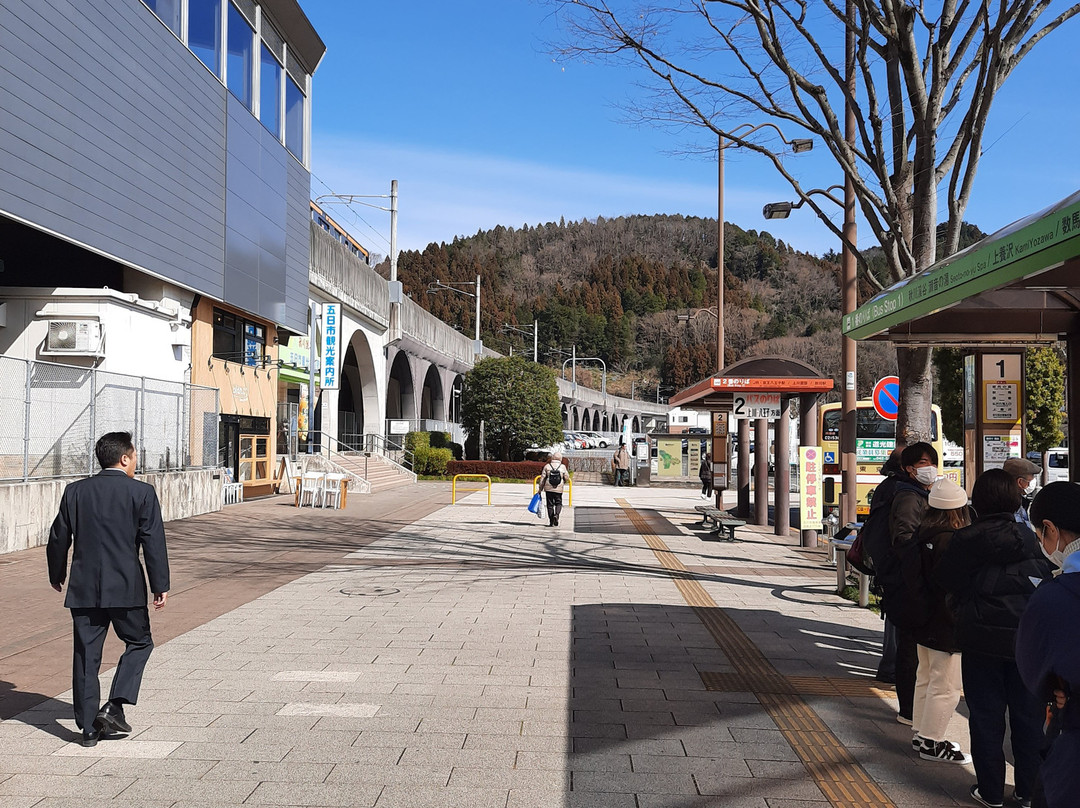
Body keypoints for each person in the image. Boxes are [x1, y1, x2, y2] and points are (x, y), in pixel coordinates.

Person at [935, 468, 1052, 808]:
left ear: (979, 501)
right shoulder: (1029, 537)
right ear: (1016, 499)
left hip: (979, 639)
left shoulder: (965, 539)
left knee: (985, 717)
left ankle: (990, 792)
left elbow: (947, 580)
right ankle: (1027, 792)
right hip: (1025, 643)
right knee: (1028, 718)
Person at [46, 432, 170, 747]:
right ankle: (115, 705)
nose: (136, 461)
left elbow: (59, 536)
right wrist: (160, 585)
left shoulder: (75, 492)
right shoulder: (142, 493)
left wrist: (56, 572)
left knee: (86, 655)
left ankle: (88, 730)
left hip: (84, 587)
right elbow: (152, 542)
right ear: (124, 458)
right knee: (140, 642)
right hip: (126, 587)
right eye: (135, 455)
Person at [1016, 481, 1080, 808]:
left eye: (1040, 534)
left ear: (1050, 530)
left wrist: (1059, 692)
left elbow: (1033, 669)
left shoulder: (1054, 597)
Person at [909, 477, 972, 763]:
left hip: (923, 618)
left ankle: (921, 732)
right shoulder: (952, 540)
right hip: (946, 622)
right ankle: (932, 742)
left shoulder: (923, 534)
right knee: (946, 686)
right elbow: (955, 586)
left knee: (925, 677)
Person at [879, 441, 939, 725]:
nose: (929, 468)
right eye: (923, 463)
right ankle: (908, 710)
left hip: (911, 581)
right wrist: (918, 579)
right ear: (909, 469)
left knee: (913, 646)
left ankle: (912, 707)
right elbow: (904, 540)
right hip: (907, 583)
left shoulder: (919, 493)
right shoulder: (908, 497)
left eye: (931, 462)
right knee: (909, 648)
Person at [1003, 456, 1041, 531]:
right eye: (1030, 480)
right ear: (1020, 482)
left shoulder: (1019, 502)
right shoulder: (1011, 505)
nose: (1033, 482)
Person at [538, 450, 570, 527]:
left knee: (550, 505)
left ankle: (551, 521)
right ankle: (556, 515)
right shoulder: (562, 467)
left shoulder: (547, 466)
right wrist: (564, 481)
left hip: (548, 488)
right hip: (559, 488)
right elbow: (567, 477)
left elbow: (542, 479)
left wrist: (540, 489)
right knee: (558, 503)